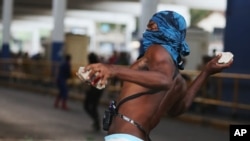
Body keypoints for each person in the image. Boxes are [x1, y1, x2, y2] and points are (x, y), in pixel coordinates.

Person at [81, 11, 233, 141]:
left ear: (170, 30)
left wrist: (113, 69)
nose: (149, 29)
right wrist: (206, 72)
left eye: (154, 25)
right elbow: (178, 109)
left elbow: (164, 80)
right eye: (149, 25)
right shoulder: (178, 80)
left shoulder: (157, 50)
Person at [83, 52, 104, 131]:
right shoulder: (99, 66)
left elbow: (89, 79)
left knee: (86, 106)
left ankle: (96, 121)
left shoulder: (91, 67)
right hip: (99, 90)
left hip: (93, 90)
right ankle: (96, 121)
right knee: (93, 106)